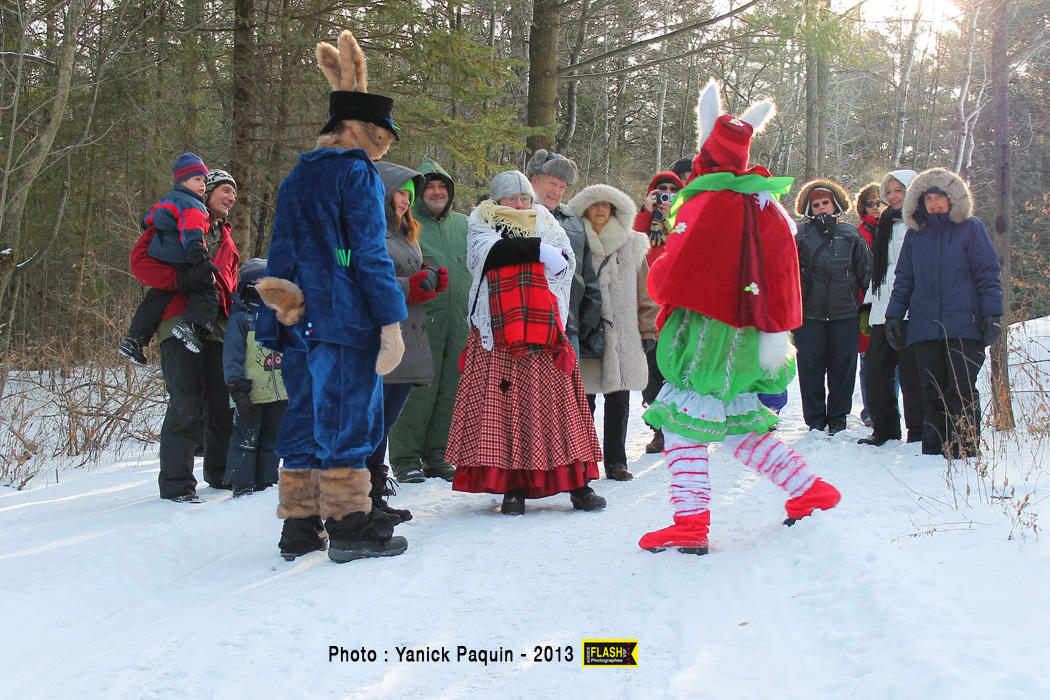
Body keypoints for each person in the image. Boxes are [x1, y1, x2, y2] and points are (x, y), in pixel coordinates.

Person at [640, 81, 840, 555]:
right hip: (746, 334)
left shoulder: (710, 200)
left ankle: (690, 523)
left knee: (684, 424)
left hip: (709, 334)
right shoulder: (760, 200)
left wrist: (658, 269)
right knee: (737, 424)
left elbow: (676, 269)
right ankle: (810, 491)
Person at [254, 30, 408, 563]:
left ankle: (299, 526)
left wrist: (281, 313)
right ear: (357, 130)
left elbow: (286, 249)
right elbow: (365, 253)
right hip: (344, 317)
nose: (381, 149)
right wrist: (389, 318)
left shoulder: (299, 174)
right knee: (348, 416)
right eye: (379, 138)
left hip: (297, 312)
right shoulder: (355, 173)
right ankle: (349, 526)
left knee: (303, 414)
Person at [446, 170, 605, 515]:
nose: (519, 205)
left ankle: (579, 485)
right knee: (506, 409)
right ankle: (513, 487)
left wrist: (541, 253)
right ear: (496, 200)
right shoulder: (481, 221)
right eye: (511, 199)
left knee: (559, 407)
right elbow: (486, 256)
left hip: (544, 328)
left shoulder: (546, 219)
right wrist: (535, 249)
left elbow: (565, 264)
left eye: (524, 199)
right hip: (499, 331)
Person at [130, 169, 240, 502]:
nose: (231, 197)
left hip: (219, 326)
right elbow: (140, 263)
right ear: (204, 192)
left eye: (234, 193)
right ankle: (177, 483)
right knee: (186, 402)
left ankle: (221, 476)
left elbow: (230, 284)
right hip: (177, 318)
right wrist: (180, 281)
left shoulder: (228, 239)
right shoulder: (175, 220)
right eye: (224, 189)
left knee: (222, 405)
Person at [884, 167, 1003, 459]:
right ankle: (935, 450)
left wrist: (992, 314)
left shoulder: (971, 228)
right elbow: (905, 280)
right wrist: (894, 316)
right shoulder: (916, 236)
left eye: (940, 196)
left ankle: (965, 449)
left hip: (965, 324)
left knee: (960, 388)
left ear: (952, 198)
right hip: (925, 326)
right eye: (928, 199)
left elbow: (987, 274)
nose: (934, 203)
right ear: (919, 203)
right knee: (932, 390)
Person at [365, 161, 447, 521]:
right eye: (399, 192)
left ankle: (375, 496)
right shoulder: (367, 233)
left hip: (407, 340)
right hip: (381, 341)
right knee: (371, 424)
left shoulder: (404, 233)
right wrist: (410, 286)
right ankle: (362, 499)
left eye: (408, 196)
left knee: (382, 423)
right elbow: (360, 282)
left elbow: (403, 278)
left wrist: (427, 280)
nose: (404, 200)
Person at [387, 159, 470, 484]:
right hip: (418, 324)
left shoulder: (463, 225)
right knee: (414, 393)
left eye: (442, 187)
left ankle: (438, 456)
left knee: (451, 391)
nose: (436, 192)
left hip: (459, 324)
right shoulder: (406, 225)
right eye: (430, 187)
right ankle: (406, 459)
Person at [567, 183, 658, 481]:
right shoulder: (572, 241)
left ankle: (616, 462)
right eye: (595, 205)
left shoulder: (632, 244)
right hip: (585, 331)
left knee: (618, 401)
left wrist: (648, 331)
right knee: (585, 400)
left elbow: (645, 294)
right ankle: (585, 459)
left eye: (607, 206)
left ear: (616, 210)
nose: (601, 210)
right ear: (585, 209)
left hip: (622, 334)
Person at [120, 153, 218, 363]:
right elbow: (192, 231)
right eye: (198, 179)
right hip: (183, 255)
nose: (203, 185)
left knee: (158, 296)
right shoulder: (192, 204)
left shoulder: (167, 201)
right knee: (208, 288)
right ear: (183, 180)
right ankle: (191, 325)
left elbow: (148, 220)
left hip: (162, 256)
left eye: (204, 180)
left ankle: (135, 338)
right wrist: (199, 256)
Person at [794, 179, 871, 434]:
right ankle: (815, 420)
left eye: (825, 202)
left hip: (845, 314)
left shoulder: (851, 234)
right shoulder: (800, 234)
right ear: (808, 208)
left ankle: (838, 419)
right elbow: (789, 273)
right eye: (816, 204)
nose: (821, 208)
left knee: (843, 369)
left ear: (835, 203)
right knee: (810, 369)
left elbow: (866, 272)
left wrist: (868, 308)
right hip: (810, 316)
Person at [859, 170, 925, 446]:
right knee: (875, 369)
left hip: (911, 308)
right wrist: (869, 306)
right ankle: (885, 430)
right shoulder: (884, 222)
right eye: (889, 191)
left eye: (899, 189)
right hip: (882, 308)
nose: (892, 196)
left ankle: (919, 432)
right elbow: (881, 270)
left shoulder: (922, 223)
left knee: (911, 373)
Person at [524, 150, 602, 358]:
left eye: (562, 187)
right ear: (534, 179)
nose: (557, 192)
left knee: (567, 392)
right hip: (526, 330)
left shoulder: (573, 221)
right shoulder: (517, 215)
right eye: (552, 183)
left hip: (568, 331)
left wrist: (584, 322)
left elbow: (587, 276)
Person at [222, 258, 286, 497]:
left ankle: (266, 482)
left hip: (280, 391)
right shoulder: (241, 319)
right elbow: (232, 354)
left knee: (272, 441)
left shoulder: (281, 317)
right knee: (245, 440)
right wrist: (237, 387)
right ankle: (242, 484)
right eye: (257, 281)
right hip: (250, 392)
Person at [633, 170, 684, 454]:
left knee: (680, 372)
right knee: (652, 373)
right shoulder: (644, 222)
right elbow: (631, 245)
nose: (666, 194)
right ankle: (660, 431)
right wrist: (646, 211)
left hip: (679, 307)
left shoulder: (686, 220)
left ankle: (685, 427)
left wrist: (675, 213)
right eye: (660, 190)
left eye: (672, 190)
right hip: (649, 310)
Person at [855, 182, 881, 427]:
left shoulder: (901, 228)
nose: (875, 208)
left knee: (894, 363)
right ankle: (871, 411)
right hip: (865, 303)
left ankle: (890, 409)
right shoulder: (858, 234)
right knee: (868, 361)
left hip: (895, 301)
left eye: (879, 202)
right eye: (870, 203)